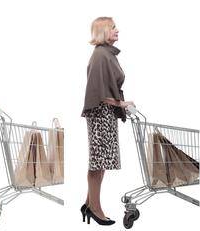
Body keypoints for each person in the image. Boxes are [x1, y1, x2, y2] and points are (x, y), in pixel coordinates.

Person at [81, 16, 131, 226]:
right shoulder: (101, 55)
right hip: (101, 114)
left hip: (105, 114)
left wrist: (119, 105)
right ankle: (95, 208)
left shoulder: (106, 54)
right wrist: (121, 104)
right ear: (103, 31)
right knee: (98, 163)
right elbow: (98, 92)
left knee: (100, 163)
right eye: (113, 28)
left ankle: (88, 203)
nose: (117, 30)